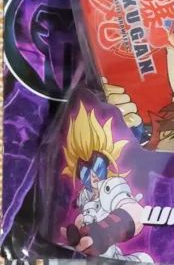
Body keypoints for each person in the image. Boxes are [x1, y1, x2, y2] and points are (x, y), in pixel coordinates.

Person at [61, 103, 151, 261]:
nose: (93, 176)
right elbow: (80, 217)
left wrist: (103, 232)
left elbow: (134, 212)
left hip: (112, 255)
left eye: (97, 165)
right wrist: (78, 232)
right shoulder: (84, 194)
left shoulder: (112, 186)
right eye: (85, 170)